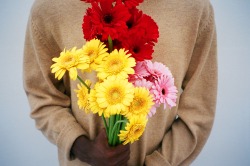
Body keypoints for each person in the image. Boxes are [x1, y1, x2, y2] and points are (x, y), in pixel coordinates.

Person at [23, 0, 217, 165]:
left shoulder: (193, 8)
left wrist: (159, 162)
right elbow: (42, 96)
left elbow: (199, 111)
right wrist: (81, 146)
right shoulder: (49, 8)